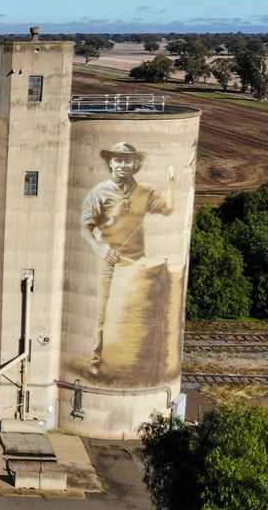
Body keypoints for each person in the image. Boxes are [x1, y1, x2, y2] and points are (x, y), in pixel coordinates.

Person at [81, 142, 175, 373]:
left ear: (135, 164)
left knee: (140, 311)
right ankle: (96, 362)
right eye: (118, 159)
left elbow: (168, 209)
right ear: (110, 162)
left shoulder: (145, 191)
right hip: (109, 259)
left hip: (137, 260)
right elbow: (85, 227)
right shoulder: (98, 192)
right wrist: (98, 247)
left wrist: (172, 184)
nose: (123, 164)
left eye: (127, 160)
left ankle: (138, 362)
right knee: (103, 312)